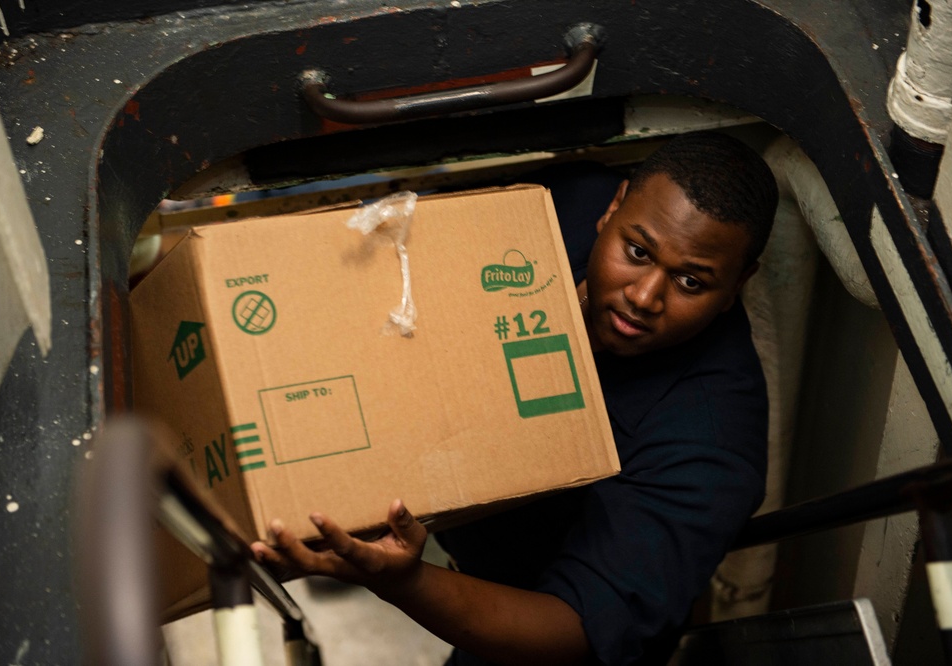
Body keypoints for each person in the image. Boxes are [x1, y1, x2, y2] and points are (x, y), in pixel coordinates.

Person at [251, 131, 779, 666]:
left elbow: (576, 627)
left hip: (533, 632)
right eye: (637, 252)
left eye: (691, 282)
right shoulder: (550, 209)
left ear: (739, 282)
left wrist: (407, 580)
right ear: (611, 208)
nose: (644, 296)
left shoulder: (713, 443)